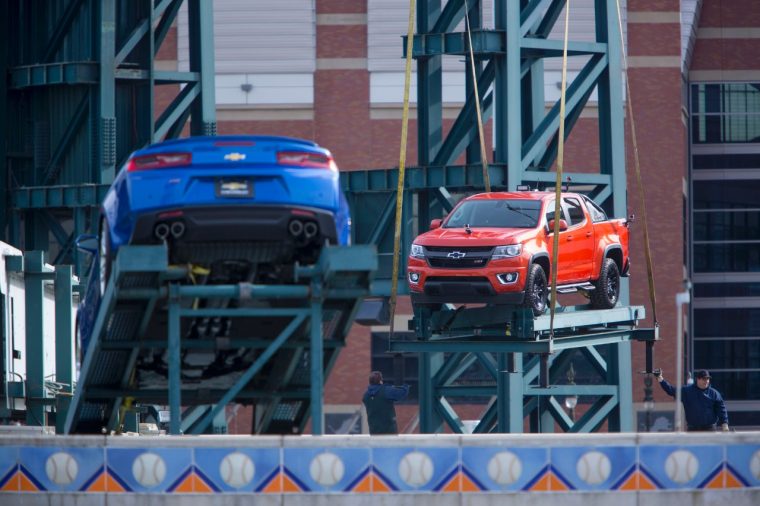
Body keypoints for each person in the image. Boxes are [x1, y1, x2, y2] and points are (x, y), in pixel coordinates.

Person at [657, 369, 729, 432]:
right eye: (704, 379)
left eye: (708, 379)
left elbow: (721, 409)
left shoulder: (714, 394)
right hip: (693, 429)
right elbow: (671, 390)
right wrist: (660, 378)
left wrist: (724, 424)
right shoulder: (687, 391)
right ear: (698, 379)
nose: (706, 381)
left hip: (710, 429)